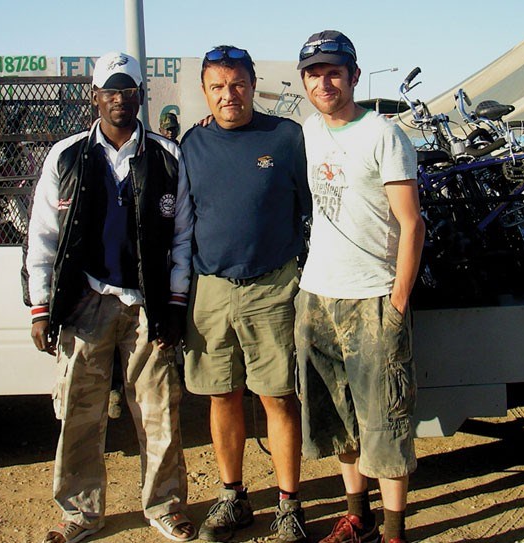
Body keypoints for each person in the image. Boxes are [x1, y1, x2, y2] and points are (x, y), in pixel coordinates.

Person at [22, 51, 196, 543]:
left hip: (148, 305)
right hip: (85, 301)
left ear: (141, 95)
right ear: (94, 95)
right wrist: (41, 306)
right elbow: (43, 237)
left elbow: (182, 237)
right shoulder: (68, 156)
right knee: (80, 411)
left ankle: (164, 505)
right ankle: (80, 513)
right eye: (110, 90)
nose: (119, 99)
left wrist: (175, 304)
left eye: (128, 89)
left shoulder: (167, 157)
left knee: (159, 408)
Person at [294, 31, 425, 543]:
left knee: (386, 424)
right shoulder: (307, 131)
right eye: (314, 73)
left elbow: (411, 223)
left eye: (333, 71)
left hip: (373, 297)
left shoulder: (384, 134)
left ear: (352, 75)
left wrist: (396, 302)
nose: (323, 82)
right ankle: (359, 518)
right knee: (337, 419)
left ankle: (394, 532)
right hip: (317, 295)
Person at [179, 45, 312, 543]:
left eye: (237, 85)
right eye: (218, 87)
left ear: (254, 86)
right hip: (210, 289)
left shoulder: (285, 138)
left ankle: (288, 505)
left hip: (272, 287)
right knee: (222, 395)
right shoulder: (191, 145)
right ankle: (233, 497)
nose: (228, 95)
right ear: (205, 92)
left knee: (277, 397)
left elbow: (312, 208)